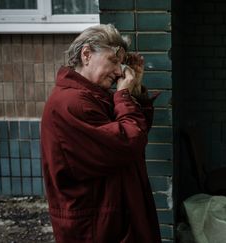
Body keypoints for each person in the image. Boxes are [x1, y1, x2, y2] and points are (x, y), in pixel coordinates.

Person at [40, 24, 161, 243]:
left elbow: (134, 131)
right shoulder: (73, 103)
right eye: (113, 61)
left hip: (110, 216)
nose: (118, 72)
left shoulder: (93, 96)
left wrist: (134, 93)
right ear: (86, 55)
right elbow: (129, 141)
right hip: (96, 225)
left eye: (120, 64)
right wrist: (123, 95)